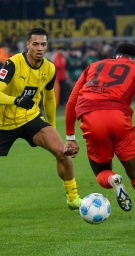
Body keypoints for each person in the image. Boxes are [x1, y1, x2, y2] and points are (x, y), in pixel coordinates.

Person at [64, 43, 135, 243]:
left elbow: (71, 101)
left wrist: (70, 137)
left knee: (102, 173)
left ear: (115, 56)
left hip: (90, 117)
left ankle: (113, 179)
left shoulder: (94, 66)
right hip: (119, 118)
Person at [0, 27, 81, 210]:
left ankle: (73, 198)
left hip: (30, 119)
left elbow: (50, 98)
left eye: (43, 44)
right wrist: (16, 100)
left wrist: (51, 127)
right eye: (35, 44)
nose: (39, 48)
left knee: (62, 152)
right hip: (2, 123)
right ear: (27, 45)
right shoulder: (12, 64)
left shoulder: (49, 68)